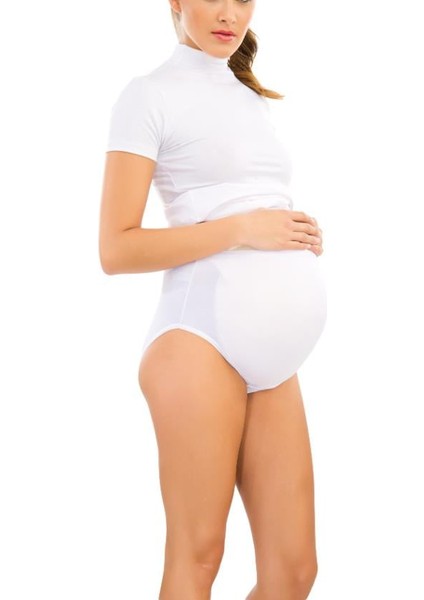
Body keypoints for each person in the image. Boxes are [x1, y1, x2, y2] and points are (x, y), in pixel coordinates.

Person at [99, 1, 327, 598]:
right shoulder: (147, 95)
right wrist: (244, 230)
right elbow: (116, 249)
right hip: (200, 343)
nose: (230, 13)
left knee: (293, 572)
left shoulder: (248, 96)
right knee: (199, 555)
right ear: (176, 2)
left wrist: (294, 233)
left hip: (274, 361)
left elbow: (246, 199)